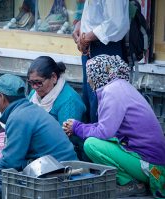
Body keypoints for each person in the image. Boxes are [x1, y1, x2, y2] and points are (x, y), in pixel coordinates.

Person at [63, 54, 165, 198]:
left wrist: (77, 128)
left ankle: (130, 183)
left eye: (89, 75)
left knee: (91, 144)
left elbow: (105, 132)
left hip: (154, 168)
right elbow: (107, 128)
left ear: (97, 74)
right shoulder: (119, 86)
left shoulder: (113, 91)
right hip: (148, 159)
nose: (88, 80)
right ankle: (134, 181)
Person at [0, 74, 77, 170]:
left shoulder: (18, 117)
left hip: (59, 171)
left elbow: (10, 162)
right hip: (66, 166)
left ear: (1, 97)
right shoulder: (29, 110)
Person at [72, 0, 129, 123]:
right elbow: (96, 15)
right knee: (90, 100)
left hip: (105, 47)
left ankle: (98, 140)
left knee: (102, 104)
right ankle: (90, 139)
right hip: (91, 46)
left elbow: (115, 22)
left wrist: (85, 38)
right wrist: (80, 25)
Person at [27, 56, 88, 161]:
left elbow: (63, 140)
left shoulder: (69, 100)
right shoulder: (34, 94)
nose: (34, 87)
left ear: (54, 77)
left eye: (38, 82)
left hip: (65, 155)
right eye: (31, 83)